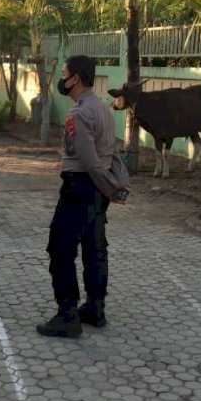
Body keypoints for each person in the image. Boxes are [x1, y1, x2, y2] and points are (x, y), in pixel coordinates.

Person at [36, 55, 128, 338]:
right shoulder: (101, 108)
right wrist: (110, 188)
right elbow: (111, 155)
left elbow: (90, 162)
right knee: (94, 248)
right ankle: (95, 308)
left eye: (64, 74)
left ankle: (67, 314)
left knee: (60, 248)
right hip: (96, 191)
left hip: (81, 188)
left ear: (76, 78)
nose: (62, 79)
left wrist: (110, 189)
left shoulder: (78, 114)